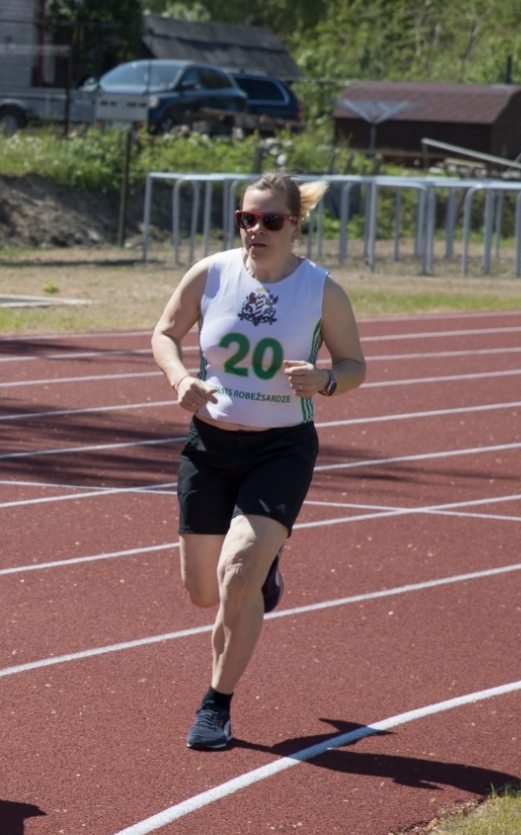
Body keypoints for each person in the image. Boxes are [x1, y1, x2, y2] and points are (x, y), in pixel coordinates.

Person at [150, 171, 366, 751]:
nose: (256, 230)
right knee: (204, 591)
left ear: (296, 225)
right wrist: (180, 378)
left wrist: (325, 379)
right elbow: (165, 333)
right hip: (209, 446)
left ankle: (215, 705)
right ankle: (265, 570)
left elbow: (354, 366)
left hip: (280, 449)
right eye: (247, 219)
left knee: (237, 574)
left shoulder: (321, 290)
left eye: (271, 220)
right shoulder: (211, 273)